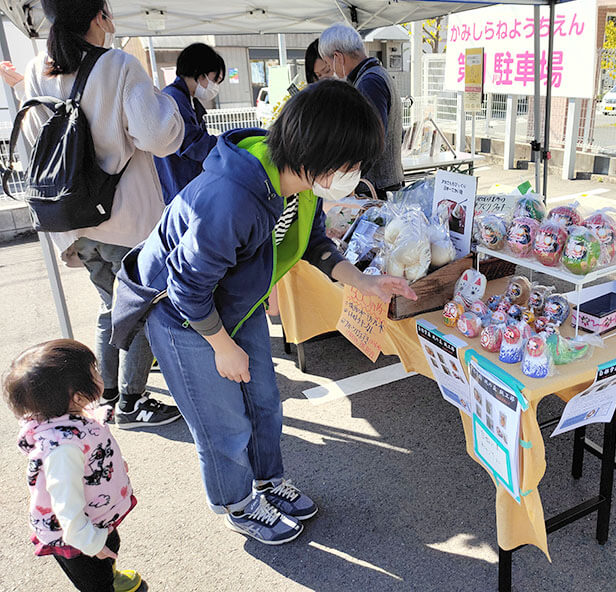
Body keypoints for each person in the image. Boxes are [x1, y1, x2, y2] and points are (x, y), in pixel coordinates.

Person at [111, 79, 417, 545]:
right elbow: (187, 286)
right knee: (223, 421)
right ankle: (237, 502)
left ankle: (267, 481)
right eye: (352, 163)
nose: (355, 173)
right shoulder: (231, 196)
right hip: (181, 312)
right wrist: (221, 345)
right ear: (321, 153)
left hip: (236, 300)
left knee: (265, 402)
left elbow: (313, 243)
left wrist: (366, 282)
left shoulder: (302, 181)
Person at [0, 0, 184, 429]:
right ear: (102, 15)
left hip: (74, 222)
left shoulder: (35, 70)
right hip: (126, 221)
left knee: (110, 306)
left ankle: (103, 393)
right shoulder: (119, 66)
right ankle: (133, 402)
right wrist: (165, 100)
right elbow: (160, 137)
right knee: (144, 307)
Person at [3, 339, 143, 592]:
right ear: (77, 396)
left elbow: (94, 453)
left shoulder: (72, 415)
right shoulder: (62, 449)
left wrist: (114, 465)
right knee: (95, 579)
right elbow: (66, 507)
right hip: (77, 538)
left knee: (110, 547)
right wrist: (91, 543)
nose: (99, 375)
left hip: (96, 515)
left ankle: (109, 576)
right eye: (95, 372)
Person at [319, 23, 404, 199]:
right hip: (385, 183)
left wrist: (346, 178)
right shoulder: (376, 74)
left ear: (338, 57)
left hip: (376, 188)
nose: (332, 71)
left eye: (329, 64)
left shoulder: (369, 82)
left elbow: (371, 140)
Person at [154, 43, 225, 204]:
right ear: (200, 75)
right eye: (215, 80)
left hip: (184, 185)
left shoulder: (187, 99)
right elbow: (191, 144)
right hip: (177, 188)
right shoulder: (174, 99)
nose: (215, 87)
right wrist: (225, 142)